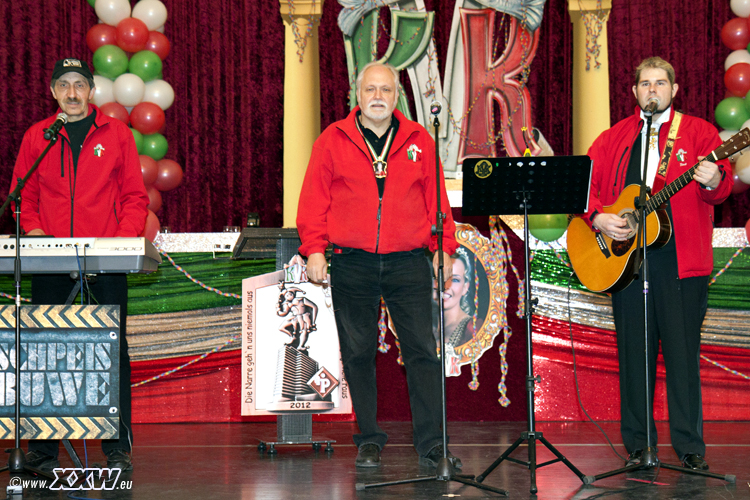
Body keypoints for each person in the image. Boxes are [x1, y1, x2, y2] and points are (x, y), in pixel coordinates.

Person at [296, 62, 461, 469]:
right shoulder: (332, 139)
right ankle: (369, 437)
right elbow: (314, 199)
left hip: (408, 261)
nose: (378, 97)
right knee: (358, 352)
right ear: (357, 93)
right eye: (371, 89)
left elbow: (436, 201)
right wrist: (314, 248)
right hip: (353, 261)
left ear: (396, 96)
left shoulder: (419, 138)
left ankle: (432, 443)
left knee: (423, 351)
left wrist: (444, 246)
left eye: (386, 90)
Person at [583, 57, 733, 471]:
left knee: (683, 357)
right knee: (634, 355)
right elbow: (585, 189)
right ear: (633, 92)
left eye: (661, 83)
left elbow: (721, 189)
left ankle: (689, 448)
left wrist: (715, 180)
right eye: (645, 83)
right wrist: (597, 216)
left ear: (675, 89)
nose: (653, 90)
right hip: (625, 262)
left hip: (680, 262)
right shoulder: (612, 138)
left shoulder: (699, 132)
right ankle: (638, 446)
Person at [9, 58, 149, 472]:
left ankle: (116, 447)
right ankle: (42, 450)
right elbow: (24, 195)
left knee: (111, 351)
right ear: (53, 92)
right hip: (48, 260)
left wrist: (120, 244)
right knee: (43, 351)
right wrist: (33, 233)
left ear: (91, 91)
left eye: (80, 85)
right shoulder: (38, 136)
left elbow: (133, 197)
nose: (72, 93)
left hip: (105, 261)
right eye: (63, 85)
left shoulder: (117, 134)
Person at [435, 246, 481, 349]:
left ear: (465, 287)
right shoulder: (418, 327)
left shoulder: (473, 329)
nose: (445, 286)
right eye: (439, 277)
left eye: (455, 280)